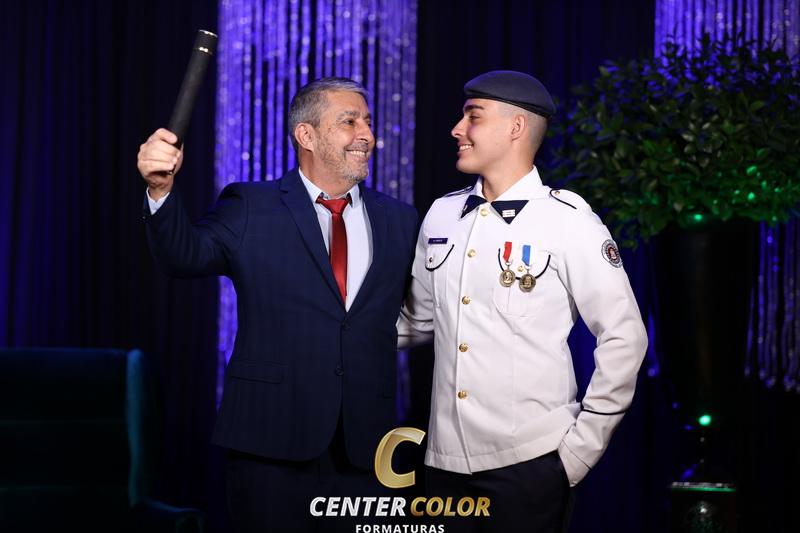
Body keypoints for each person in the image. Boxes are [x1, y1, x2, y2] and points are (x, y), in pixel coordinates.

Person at [138, 77, 418, 532]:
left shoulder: (401, 219)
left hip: (368, 450)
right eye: (349, 122)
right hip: (270, 446)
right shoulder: (251, 204)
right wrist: (160, 190)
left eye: (368, 122)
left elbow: (420, 309)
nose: (367, 134)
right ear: (306, 135)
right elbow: (183, 256)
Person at [398, 70, 648, 532]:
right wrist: (330, 328)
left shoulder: (567, 219)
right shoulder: (442, 213)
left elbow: (624, 337)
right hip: (442, 465)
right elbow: (417, 321)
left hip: (529, 465)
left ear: (516, 127)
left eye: (473, 116)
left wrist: (578, 452)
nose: (457, 129)